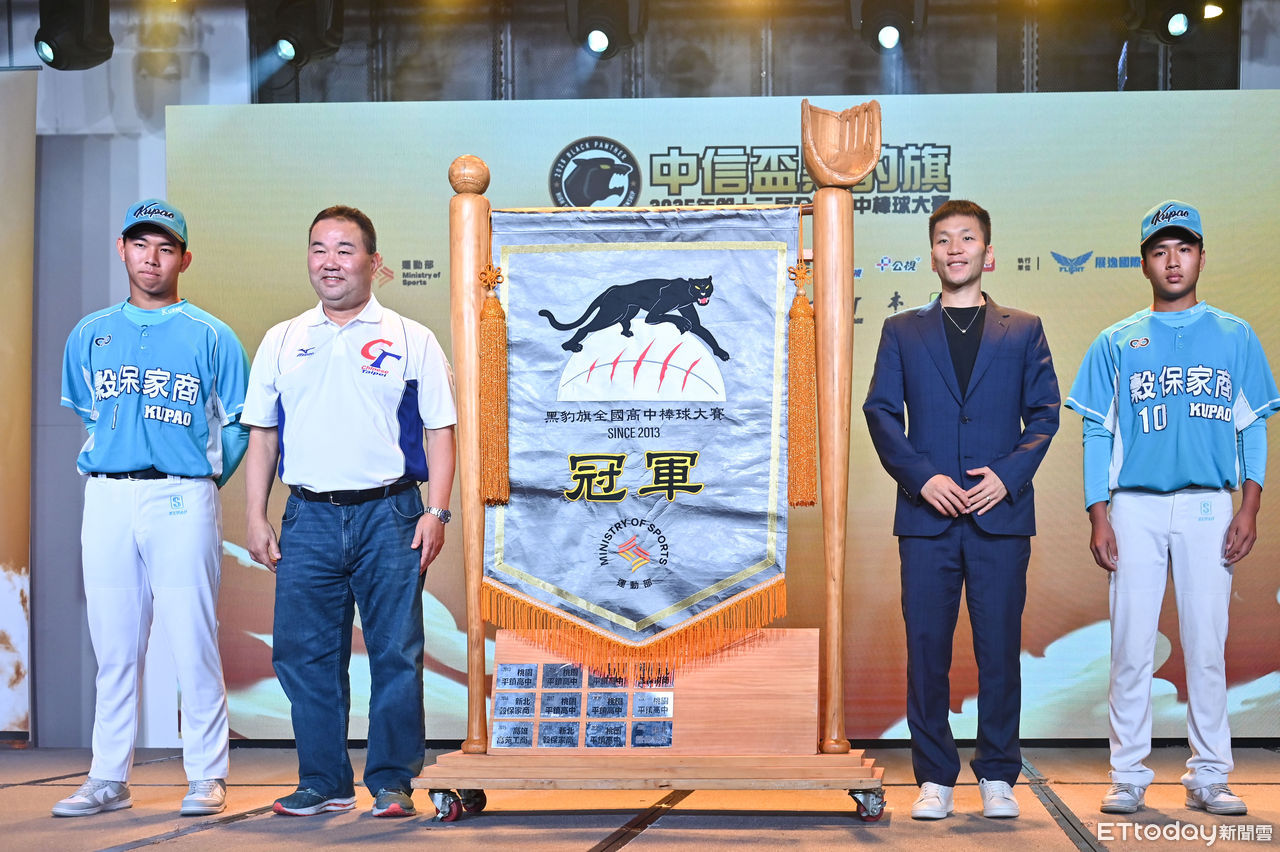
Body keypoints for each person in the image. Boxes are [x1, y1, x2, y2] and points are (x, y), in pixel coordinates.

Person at [1065, 200, 1279, 817]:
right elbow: (1097, 431)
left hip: (1209, 503)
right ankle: (1127, 774)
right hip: (1134, 506)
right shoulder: (1116, 341)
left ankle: (1209, 775)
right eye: (1160, 251)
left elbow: (1253, 426)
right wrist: (1098, 512)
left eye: (1184, 249)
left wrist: (1250, 505)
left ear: (1201, 257)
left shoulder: (1235, 335)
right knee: (1131, 646)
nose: (1173, 261)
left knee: (1207, 647)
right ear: (1145, 264)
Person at [243, 205, 457, 818]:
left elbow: (441, 431)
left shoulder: (411, 337)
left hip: (391, 514)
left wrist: (436, 512)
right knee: (302, 654)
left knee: (396, 652)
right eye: (319, 249)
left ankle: (392, 781)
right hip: (308, 517)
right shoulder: (283, 339)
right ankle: (324, 781)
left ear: (373, 262)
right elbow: (262, 434)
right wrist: (256, 515)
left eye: (344, 250)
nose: (329, 262)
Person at [863, 200, 1059, 820]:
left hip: (1000, 517)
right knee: (927, 651)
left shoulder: (1023, 328)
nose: (955, 248)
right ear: (932, 255)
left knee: (1000, 649)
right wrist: (922, 479)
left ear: (987, 253)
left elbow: (1045, 414)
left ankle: (998, 774)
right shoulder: (902, 330)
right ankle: (934, 778)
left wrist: (1007, 476)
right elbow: (880, 412)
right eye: (944, 239)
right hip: (928, 520)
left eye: (967, 238)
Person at [55, 199, 249, 818]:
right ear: (122, 249)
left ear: (184, 259)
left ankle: (207, 774)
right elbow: (92, 416)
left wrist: (204, 480)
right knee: (113, 646)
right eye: (140, 244)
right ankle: (107, 778)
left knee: (191, 639)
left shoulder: (211, 335)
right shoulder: (89, 333)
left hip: (180, 494)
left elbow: (239, 424)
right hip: (108, 495)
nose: (151, 257)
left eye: (166, 247)